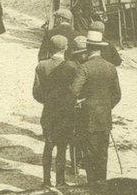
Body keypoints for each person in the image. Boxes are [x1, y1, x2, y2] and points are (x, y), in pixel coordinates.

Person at [70, 36, 121, 182]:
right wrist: (105, 106)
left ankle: (92, 185)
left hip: (88, 117)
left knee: (90, 153)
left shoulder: (84, 67)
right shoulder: (110, 67)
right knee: (102, 153)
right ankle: (102, 184)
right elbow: (117, 95)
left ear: (88, 48)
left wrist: (82, 104)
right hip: (105, 117)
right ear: (100, 48)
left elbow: (73, 92)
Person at [34, 36, 71, 186]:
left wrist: (48, 101)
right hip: (64, 114)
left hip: (48, 111)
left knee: (48, 145)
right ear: (66, 48)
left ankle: (46, 181)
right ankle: (60, 181)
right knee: (62, 148)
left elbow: (36, 92)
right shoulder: (70, 66)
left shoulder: (41, 65)